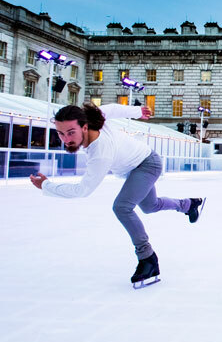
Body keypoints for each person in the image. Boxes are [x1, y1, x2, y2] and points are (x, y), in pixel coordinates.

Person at [29, 103, 205, 288]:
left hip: (147, 164)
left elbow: (83, 190)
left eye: (71, 132)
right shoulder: (93, 118)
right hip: (134, 168)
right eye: (60, 133)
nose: (65, 139)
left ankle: (147, 258)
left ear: (85, 126)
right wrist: (137, 111)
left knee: (122, 207)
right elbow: (112, 109)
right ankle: (188, 204)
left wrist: (46, 186)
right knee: (149, 206)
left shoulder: (100, 153)